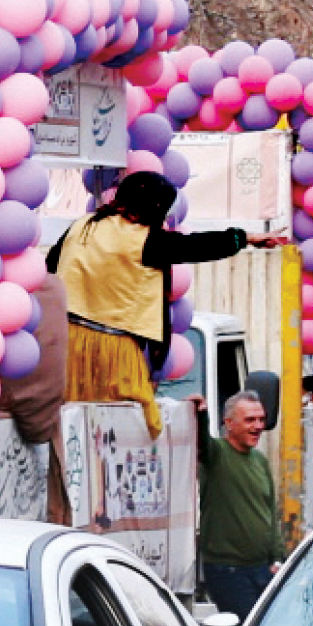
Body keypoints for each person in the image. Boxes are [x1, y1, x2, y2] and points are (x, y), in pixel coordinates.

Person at [45, 169, 278, 435]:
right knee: (136, 424)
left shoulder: (82, 225)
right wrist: (243, 237)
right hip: (114, 345)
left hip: (66, 340)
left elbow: (52, 264)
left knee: (70, 417)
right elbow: (195, 246)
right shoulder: (143, 239)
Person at [194, 390, 281, 619]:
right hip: (228, 571)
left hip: (263, 569)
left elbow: (270, 513)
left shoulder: (260, 461)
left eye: (261, 419)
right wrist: (201, 415)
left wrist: (278, 558)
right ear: (229, 424)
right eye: (250, 420)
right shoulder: (218, 455)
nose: (258, 426)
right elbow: (201, 441)